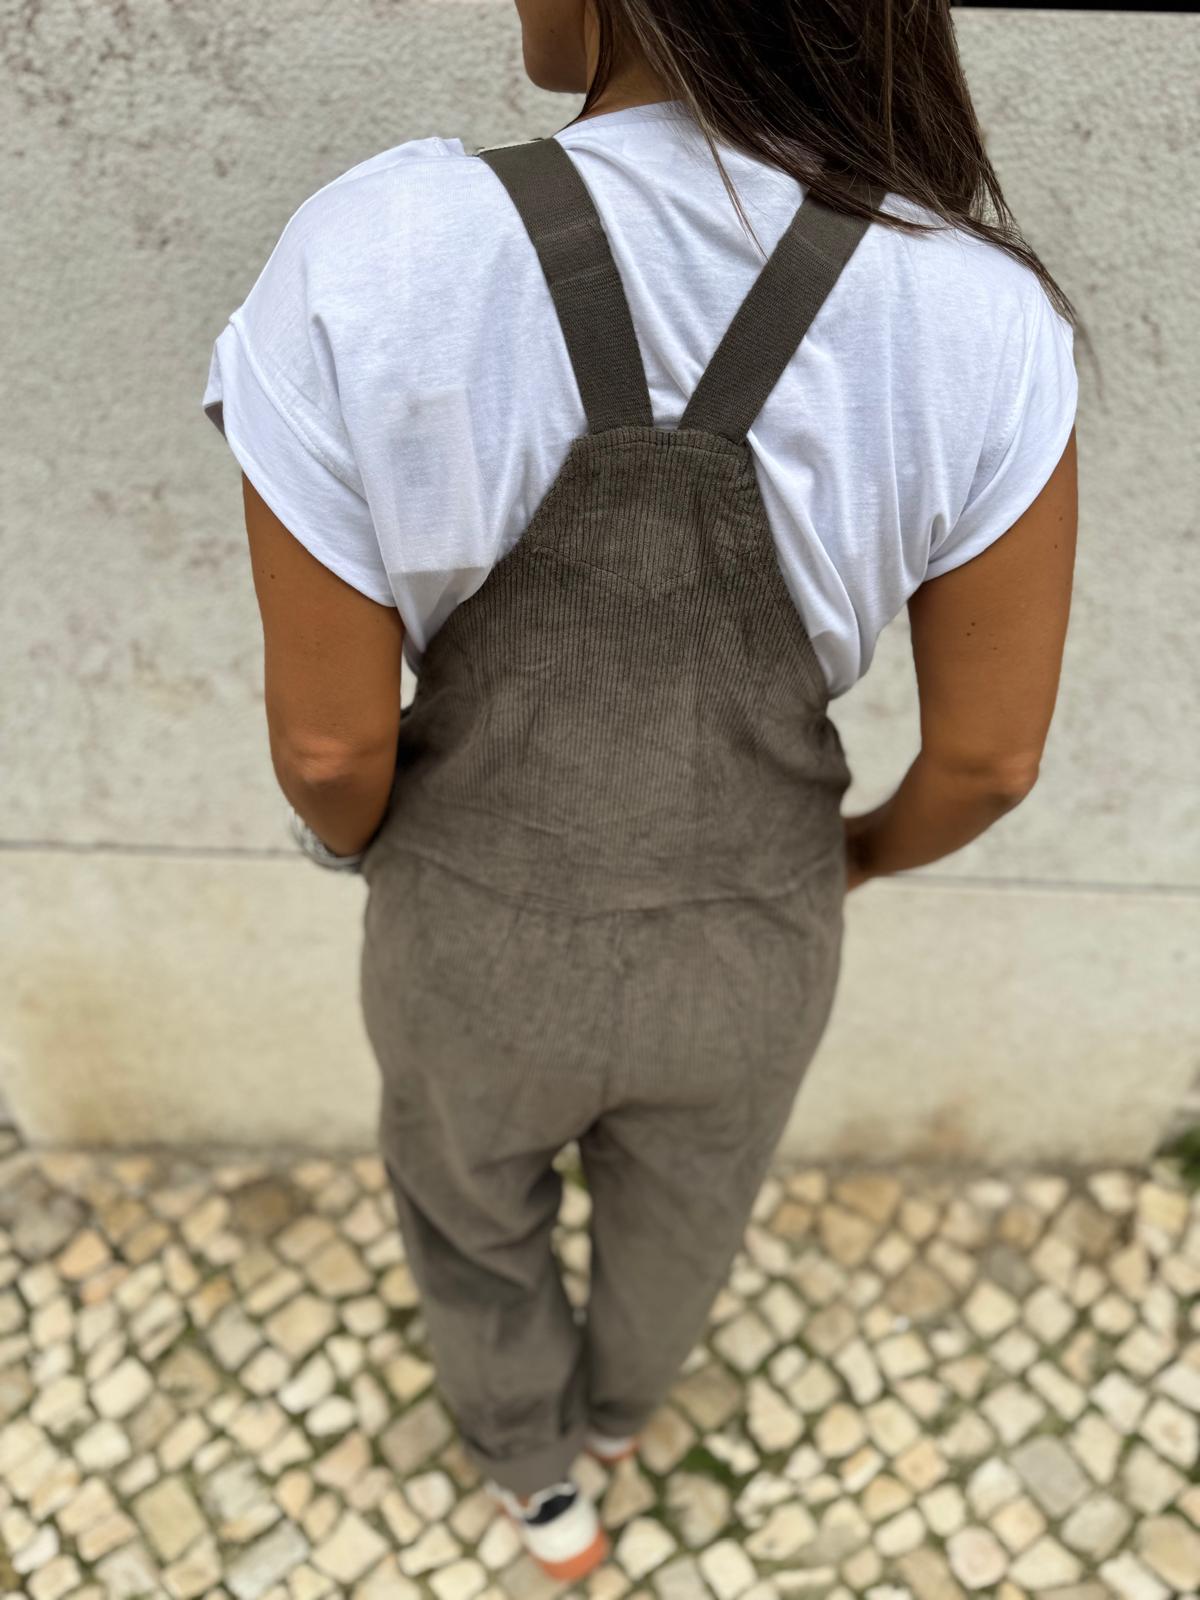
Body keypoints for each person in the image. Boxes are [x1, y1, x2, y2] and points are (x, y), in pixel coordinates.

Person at [202, 0, 1079, 1580]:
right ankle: (618, 1417)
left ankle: (539, 1480)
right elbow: (990, 760)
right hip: (758, 930)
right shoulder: (979, 315)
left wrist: (393, 862)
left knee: (471, 1216)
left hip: (468, 926)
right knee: (689, 1214)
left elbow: (330, 754)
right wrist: (850, 863)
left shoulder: (377, 250)